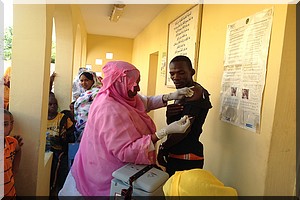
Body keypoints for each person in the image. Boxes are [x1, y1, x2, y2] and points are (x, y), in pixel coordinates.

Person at [59, 60, 192, 196]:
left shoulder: (118, 94)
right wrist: (165, 132)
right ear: (120, 82)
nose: (138, 88)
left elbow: (144, 102)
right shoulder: (108, 109)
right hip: (108, 172)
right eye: (134, 84)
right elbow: (126, 151)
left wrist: (170, 96)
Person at [157, 55, 212, 176]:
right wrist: (169, 115)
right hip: (177, 154)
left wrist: (163, 147)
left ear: (192, 72)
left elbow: (183, 129)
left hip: (186, 156)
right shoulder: (183, 91)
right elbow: (173, 124)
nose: (175, 77)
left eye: (181, 73)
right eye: (172, 74)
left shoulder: (195, 93)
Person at [47, 93, 75, 197]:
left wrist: (61, 139)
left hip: (60, 151)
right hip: (46, 150)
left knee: (57, 164)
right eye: (50, 104)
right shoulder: (41, 118)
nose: (53, 106)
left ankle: (54, 190)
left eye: (55, 104)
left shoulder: (63, 118)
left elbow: (71, 137)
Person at [74, 71, 102, 142]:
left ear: (93, 80)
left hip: (91, 125)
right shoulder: (84, 93)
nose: (84, 83)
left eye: (86, 80)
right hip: (80, 125)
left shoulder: (97, 92)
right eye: (82, 81)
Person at [3, 109, 22, 198]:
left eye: (5, 124)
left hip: (10, 191)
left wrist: (15, 169)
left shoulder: (12, 142)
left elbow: (18, 150)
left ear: (11, 125)